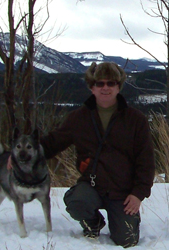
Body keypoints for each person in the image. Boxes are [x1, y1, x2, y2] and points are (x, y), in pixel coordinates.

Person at [38, 62, 155, 247]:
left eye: (111, 83)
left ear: (119, 87)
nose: (105, 88)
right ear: (92, 87)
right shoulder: (78, 118)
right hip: (92, 185)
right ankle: (93, 223)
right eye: (100, 83)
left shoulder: (135, 120)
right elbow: (53, 142)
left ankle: (122, 222)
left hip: (123, 192)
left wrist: (138, 194)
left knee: (128, 240)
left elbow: (146, 161)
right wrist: (18, 155)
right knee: (76, 201)